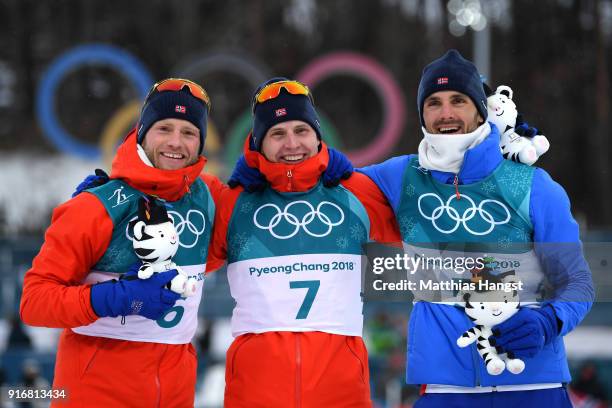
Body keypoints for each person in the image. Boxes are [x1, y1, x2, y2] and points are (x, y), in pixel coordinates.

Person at [358, 49, 594, 407]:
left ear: (481, 110)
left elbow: (578, 282)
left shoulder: (533, 185)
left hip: (532, 386)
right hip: (445, 390)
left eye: (458, 100)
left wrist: (549, 322)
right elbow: (328, 189)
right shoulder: (400, 177)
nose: (446, 113)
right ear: (421, 114)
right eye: (433, 103)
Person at [20, 78, 224, 407]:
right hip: (96, 392)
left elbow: (220, 251)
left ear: (201, 143)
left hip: (174, 392)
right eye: (164, 128)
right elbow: (34, 302)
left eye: (189, 132)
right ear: (142, 133)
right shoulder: (96, 206)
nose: (176, 142)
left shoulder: (208, 196)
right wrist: (114, 298)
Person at [209, 77, 400, 407]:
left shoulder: (356, 192)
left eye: (301, 131)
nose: (291, 143)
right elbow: (178, 251)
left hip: (340, 391)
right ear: (258, 143)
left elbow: (434, 223)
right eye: (277, 134)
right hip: (256, 392)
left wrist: (508, 171)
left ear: (317, 136)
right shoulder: (232, 203)